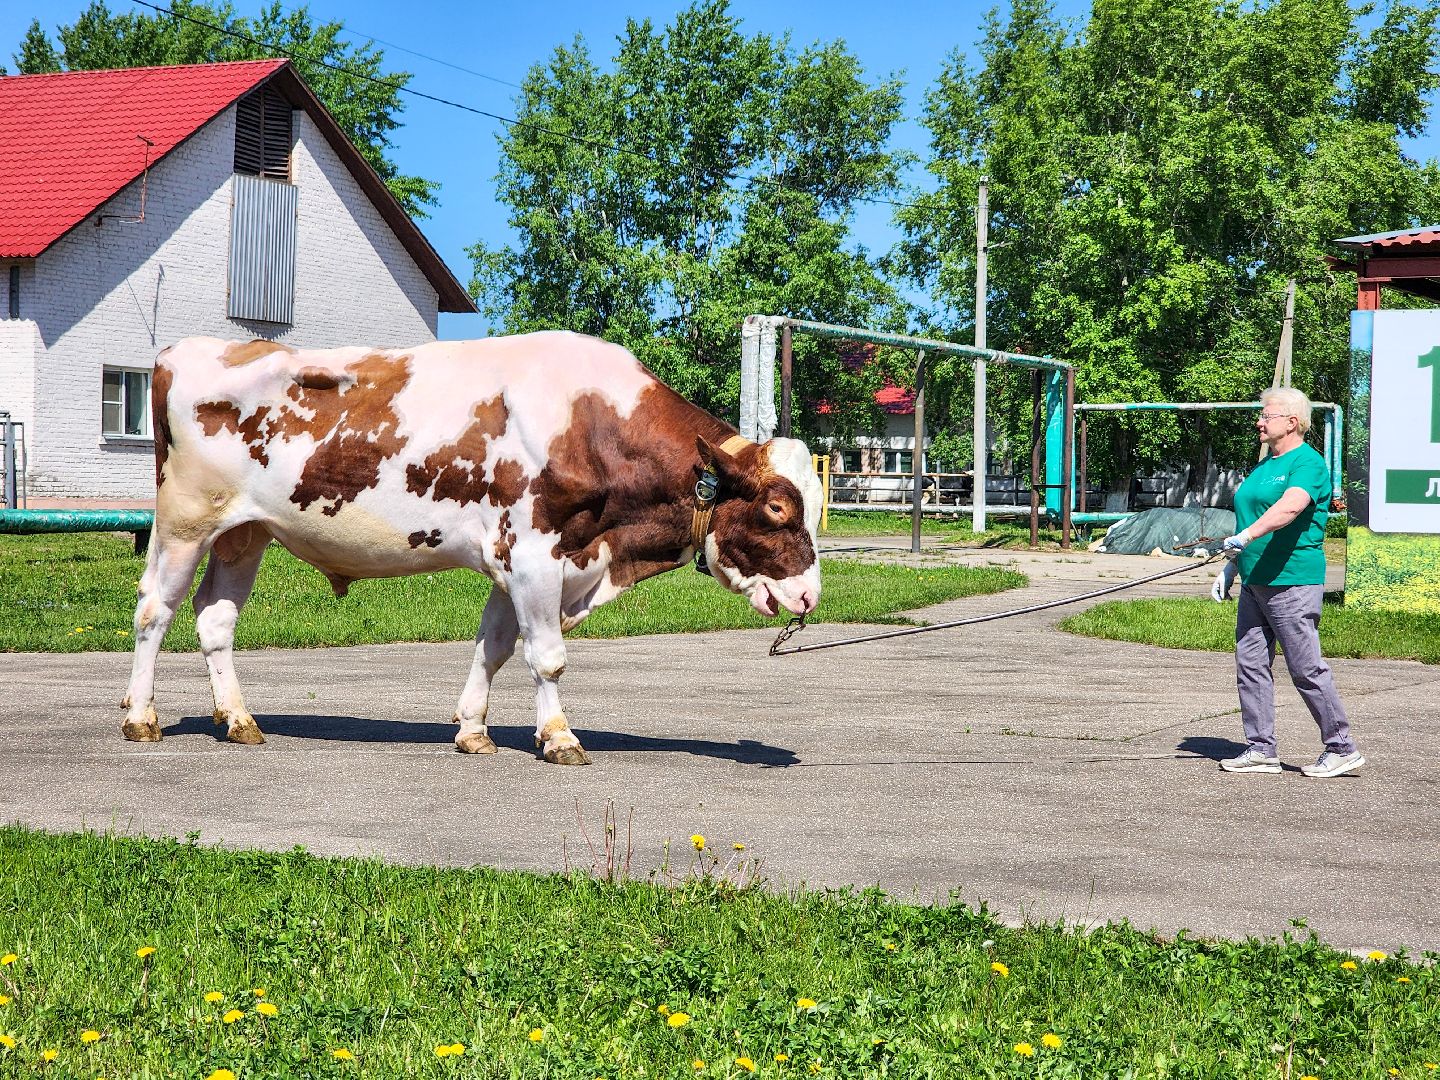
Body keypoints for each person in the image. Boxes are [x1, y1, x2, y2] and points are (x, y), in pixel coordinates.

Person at [1212, 386, 1363, 778]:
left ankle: (1341, 746)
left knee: (1305, 668)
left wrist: (1245, 538)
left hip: (1292, 580)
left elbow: (1291, 507)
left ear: (1292, 422)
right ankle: (1261, 749)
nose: (1259, 421)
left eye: (1267, 415)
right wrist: (1233, 564)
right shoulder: (1264, 466)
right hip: (1256, 580)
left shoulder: (1307, 464)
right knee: (1251, 665)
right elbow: (1251, 516)